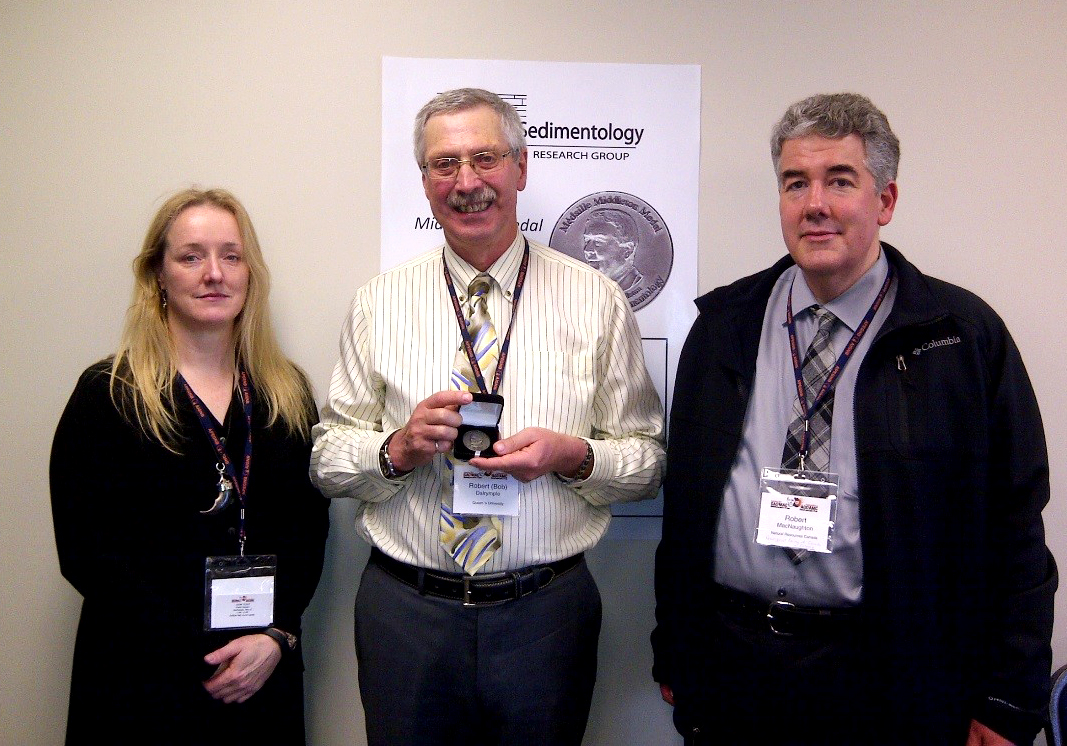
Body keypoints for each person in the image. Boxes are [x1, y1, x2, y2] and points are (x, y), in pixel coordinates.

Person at [652, 93, 1056, 746]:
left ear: (884, 202)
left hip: (889, 679)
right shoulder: (722, 327)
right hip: (736, 670)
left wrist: (1008, 696)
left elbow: (1014, 526)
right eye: (794, 183)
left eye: (839, 181)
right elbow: (688, 503)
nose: (814, 204)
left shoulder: (958, 339)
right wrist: (674, 644)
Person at [312, 87, 665, 746]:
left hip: (545, 615)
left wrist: (572, 457)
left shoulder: (596, 301)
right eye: (444, 164)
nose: (466, 182)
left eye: (485, 158)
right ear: (423, 181)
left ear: (521, 168)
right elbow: (328, 459)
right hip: (405, 614)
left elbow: (645, 462)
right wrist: (397, 450)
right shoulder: (378, 303)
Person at [50, 188, 329, 744]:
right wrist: (195, 651)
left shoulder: (285, 392)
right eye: (191, 256)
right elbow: (86, 552)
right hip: (141, 680)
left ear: (250, 274)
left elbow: (308, 531)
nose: (214, 274)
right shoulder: (106, 394)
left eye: (231, 255)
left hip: (259, 672)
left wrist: (276, 636)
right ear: (158, 275)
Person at [582, 206, 644, 295]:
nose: (587, 250)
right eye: (587, 241)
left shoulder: (634, 285)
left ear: (627, 250)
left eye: (598, 242)